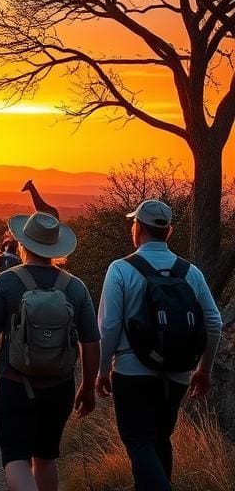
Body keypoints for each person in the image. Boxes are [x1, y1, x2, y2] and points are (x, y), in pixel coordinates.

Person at [96, 199, 223, 491]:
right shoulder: (190, 272)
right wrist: (204, 370)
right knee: (160, 438)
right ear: (169, 231)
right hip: (178, 372)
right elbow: (214, 322)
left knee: (139, 442)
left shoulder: (121, 269)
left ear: (138, 228)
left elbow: (109, 326)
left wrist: (102, 371)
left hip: (131, 371)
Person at [0, 212, 100, 491]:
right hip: (60, 387)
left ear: (23, 244)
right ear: (56, 249)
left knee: (15, 459)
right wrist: (88, 387)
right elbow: (91, 343)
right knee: (45, 457)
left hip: (14, 382)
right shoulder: (75, 287)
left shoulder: (6, 282)